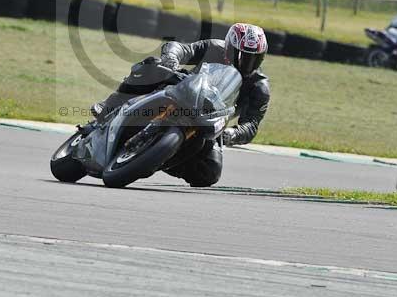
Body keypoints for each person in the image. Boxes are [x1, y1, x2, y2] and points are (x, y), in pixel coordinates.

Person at [84, 23, 271, 187]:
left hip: (211, 117)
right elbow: (181, 48)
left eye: (255, 58)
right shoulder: (214, 47)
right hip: (185, 89)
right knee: (152, 66)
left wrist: (234, 134)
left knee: (209, 173)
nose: (247, 63)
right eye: (242, 55)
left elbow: (252, 124)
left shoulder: (259, 87)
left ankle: (159, 157)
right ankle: (108, 107)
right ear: (229, 47)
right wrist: (171, 58)